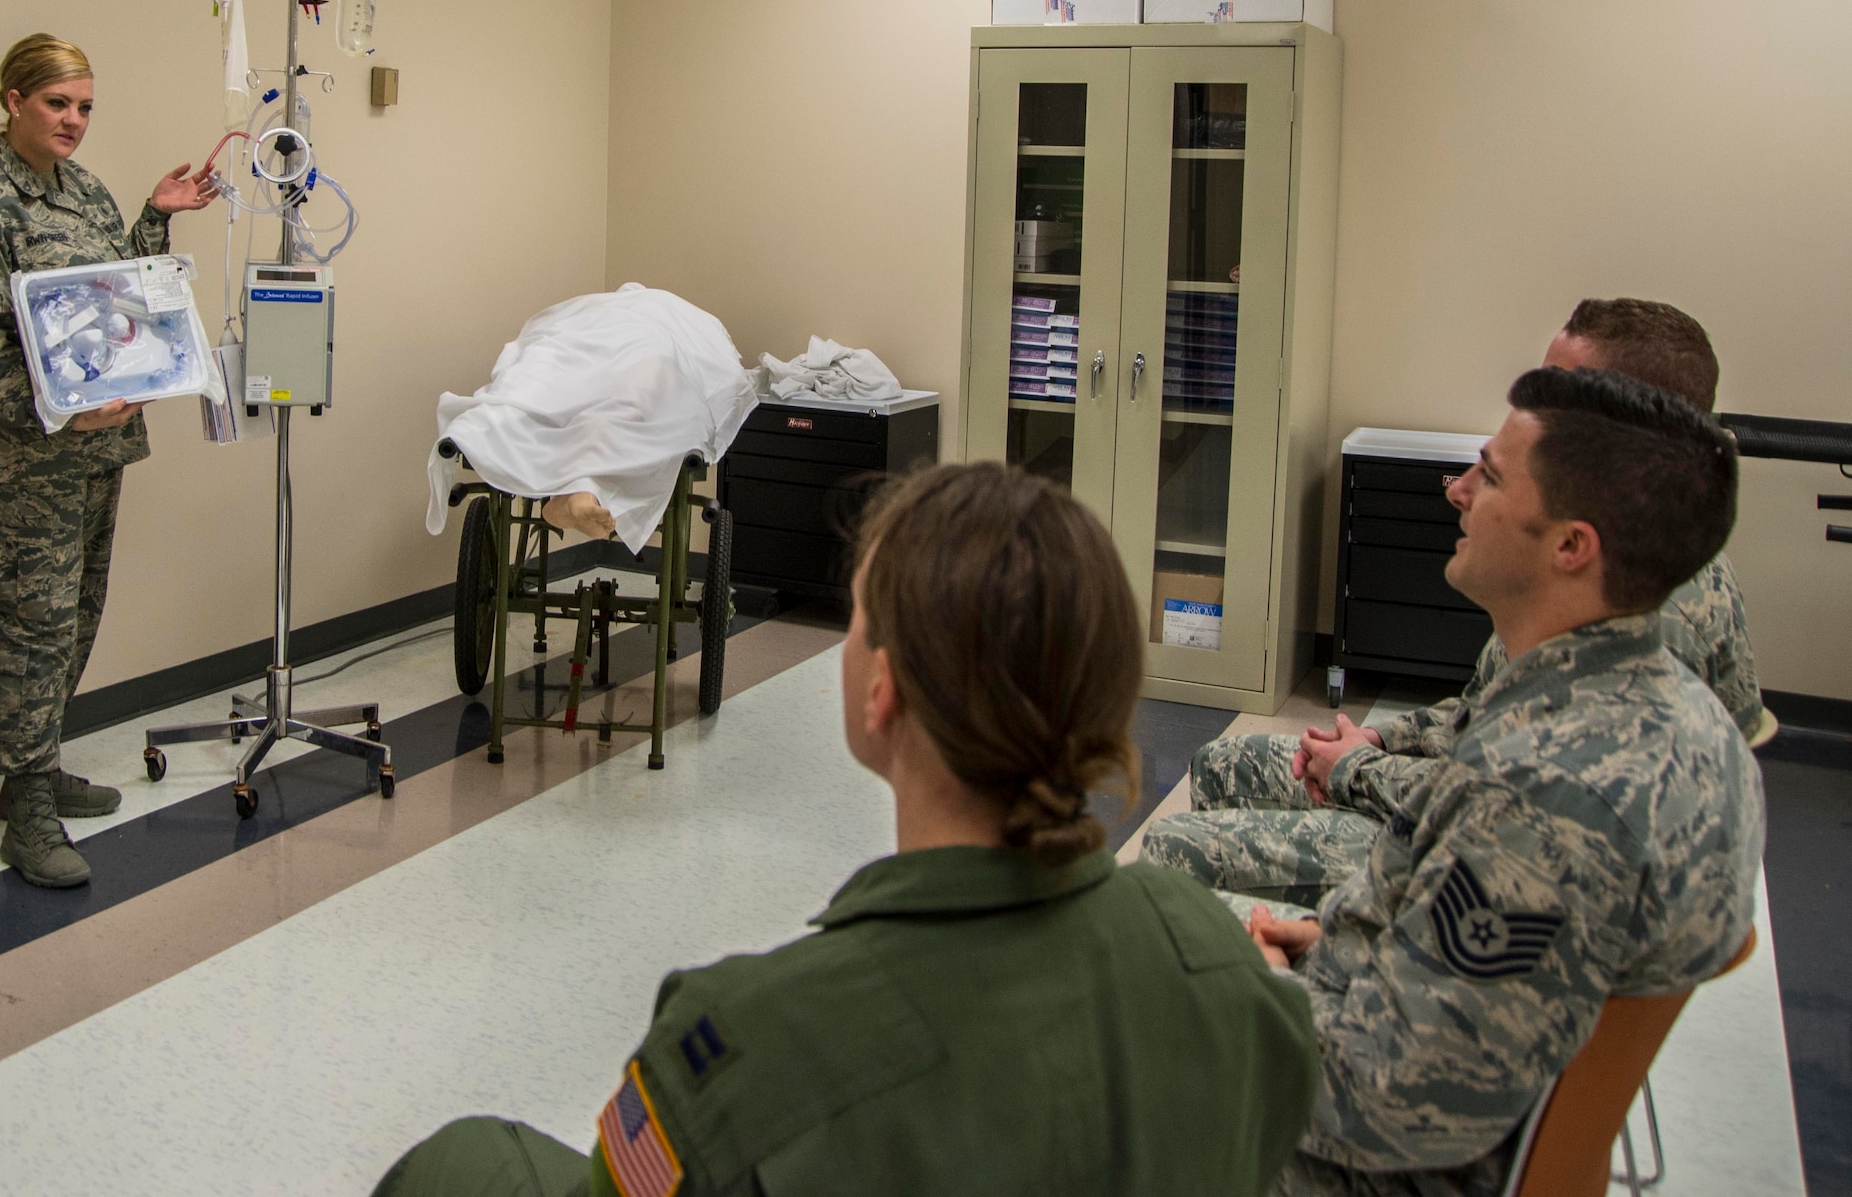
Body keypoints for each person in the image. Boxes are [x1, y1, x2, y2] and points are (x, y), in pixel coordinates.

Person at [375, 463, 1320, 1196]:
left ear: (884, 692)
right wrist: (1221, 965)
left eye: (858, 618)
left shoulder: (742, 1041)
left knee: (461, 1161)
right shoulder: (1225, 968)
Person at [1244, 369, 1763, 1195]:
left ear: (1570, 545)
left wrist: (1255, 993)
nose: (1459, 493)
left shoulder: (1547, 796)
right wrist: (1338, 942)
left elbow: (1376, 1098)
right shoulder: (1672, 711)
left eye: (1488, 474)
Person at [1143, 297, 1766, 905]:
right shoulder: (1593, 565)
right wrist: (1382, 743)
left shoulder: (1648, 609)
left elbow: (1516, 810)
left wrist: (1355, 773)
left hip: (1482, 854)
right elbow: (1484, 717)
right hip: (1459, 798)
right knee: (1222, 763)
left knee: (1174, 849)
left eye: (1559, 395)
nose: (1461, 493)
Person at [0, 33, 217, 888]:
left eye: (86, 106)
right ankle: (25, 808)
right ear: (14, 100)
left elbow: (113, 293)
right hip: (22, 461)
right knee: (32, 631)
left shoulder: (83, 190)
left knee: (78, 615)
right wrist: (64, 414)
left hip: (97, 454)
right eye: (58, 103)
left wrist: (154, 215)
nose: (74, 120)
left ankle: (41, 763)